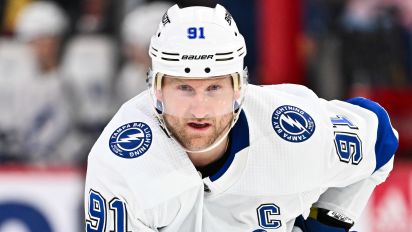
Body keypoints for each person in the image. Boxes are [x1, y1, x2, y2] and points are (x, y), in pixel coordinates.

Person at [84, 4, 398, 232]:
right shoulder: (121, 162)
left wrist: (327, 222)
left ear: (239, 89)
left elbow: (381, 137)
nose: (200, 109)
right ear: (156, 90)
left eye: (214, 87)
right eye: (183, 87)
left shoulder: (295, 132)